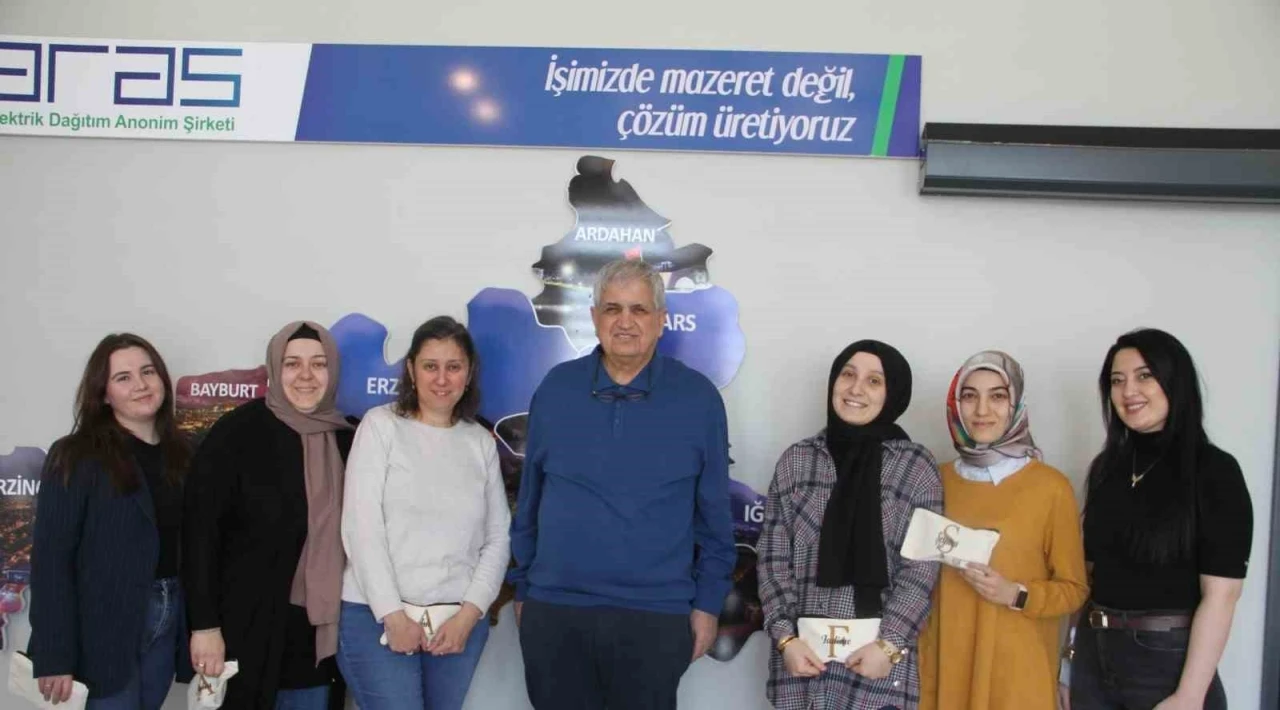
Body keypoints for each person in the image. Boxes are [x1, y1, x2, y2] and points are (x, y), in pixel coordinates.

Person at [508, 258, 736, 710]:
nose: (625, 322)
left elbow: (714, 517)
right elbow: (530, 498)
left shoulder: (699, 399)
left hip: (655, 616)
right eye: (612, 309)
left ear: (661, 320)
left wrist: (708, 604)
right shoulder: (556, 389)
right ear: (594, 317)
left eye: (639, 309)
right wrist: (524, 589)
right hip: (555, 611)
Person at [1070, 328, 1252, 710]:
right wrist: (1068, 664)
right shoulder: (1107, 469)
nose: (1128, 391)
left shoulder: (1215, 470)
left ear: (1175, 381)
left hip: (1166, 662)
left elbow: (1222, 595)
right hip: (1092, 657)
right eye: (1117, 381)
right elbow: (1086, 577)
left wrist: (1190, 695)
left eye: (1144, 376)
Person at [757, 340, 944, 710]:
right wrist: (785, 639)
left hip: (878, 665)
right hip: (803, 664)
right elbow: (772, 561)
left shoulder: (915, 467)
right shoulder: (798, 461)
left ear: (893, 394)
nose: (856, 389)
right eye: (847, 375)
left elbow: (921, 569)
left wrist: (889, 644)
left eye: (874, 381)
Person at [337, 316, 510, 710]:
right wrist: (392, 615)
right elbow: (362, 529)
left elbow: (498, 537)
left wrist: (469, 615)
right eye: (431, 366)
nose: (442, 379)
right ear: (412, 369)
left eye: (454, 366)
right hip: (376, 618)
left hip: (456, 623)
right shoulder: (380, 427)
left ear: (469, 373)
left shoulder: (480, 443)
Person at [183, 321, 356, 710]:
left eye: (319, 363)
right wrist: (204, 626)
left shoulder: (348, 440)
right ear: (275, 369)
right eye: (292, 364)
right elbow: (199, 537)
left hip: (319, 641)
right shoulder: (236, 435)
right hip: (245, 633)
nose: (306, 375)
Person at [916, 350, 1089, 710]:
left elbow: (1074, 590)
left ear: (1016, 406)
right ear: (956, 405)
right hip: (943, 669)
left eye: (997, 396)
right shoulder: (933, 479)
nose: (982, 410)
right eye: (969, 396)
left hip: (1016, 675)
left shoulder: (1050, 487)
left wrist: (1016, 594)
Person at [30, 333, 194, 710]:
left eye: (148, 372)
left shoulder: (185, 453)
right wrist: (54, 655)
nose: (141, 384)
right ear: (103, 394)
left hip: (168, 616)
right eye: (123, 377)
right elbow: (52, 560)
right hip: (101, 628)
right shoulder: (75, 455)